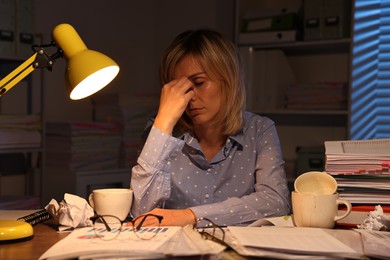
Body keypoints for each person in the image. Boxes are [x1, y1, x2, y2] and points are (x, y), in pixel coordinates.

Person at [130, 29, 291, 227]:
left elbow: (276, 202)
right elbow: (141, 212)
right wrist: (163, 121)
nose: (190, 98)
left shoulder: (259, 130)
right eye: (179, 89)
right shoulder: (160, 131)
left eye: (199, 83)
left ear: (229, 80)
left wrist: (190, 216)